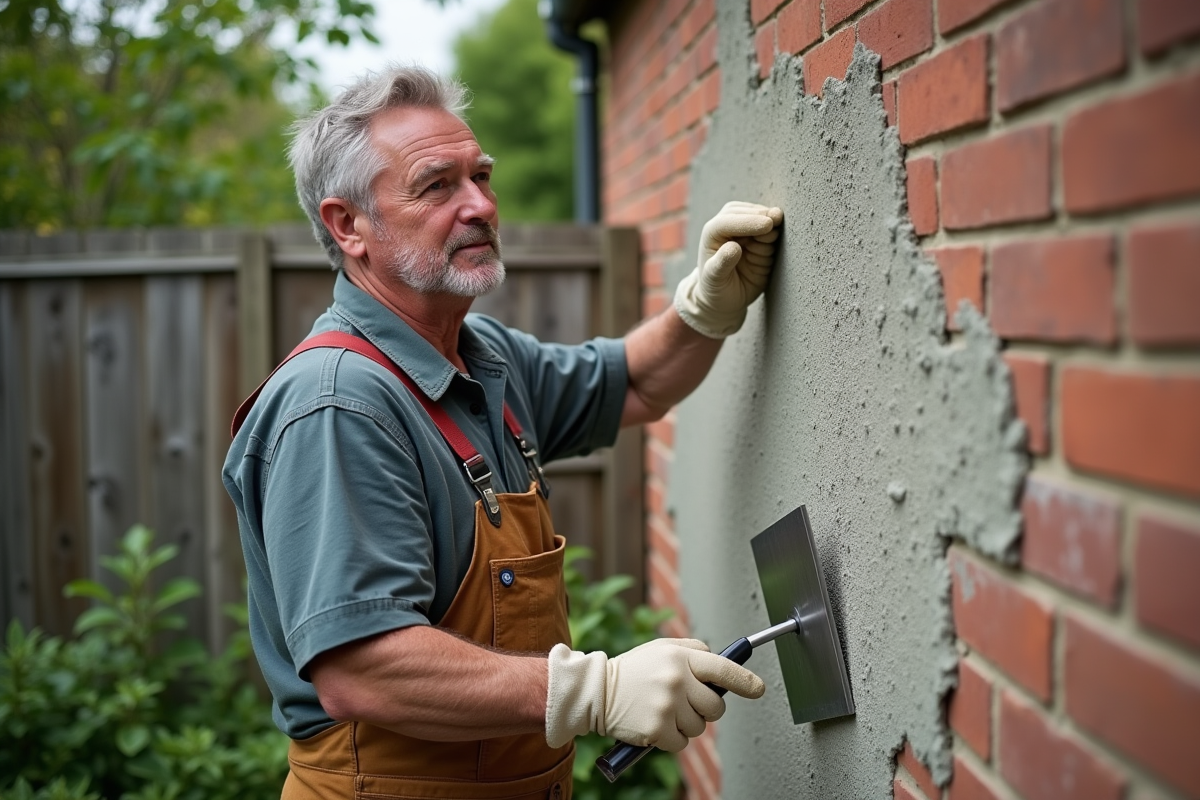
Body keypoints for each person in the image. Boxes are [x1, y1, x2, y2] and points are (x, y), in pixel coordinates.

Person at [222, 64, 784, 800]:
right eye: (436, 185)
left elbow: (639, 383)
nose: (480, 205)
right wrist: (598, 689)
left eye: (481, 176)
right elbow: (359, 669)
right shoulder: (339, 403)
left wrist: (707, 307)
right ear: (347, 225)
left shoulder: (483, 357)